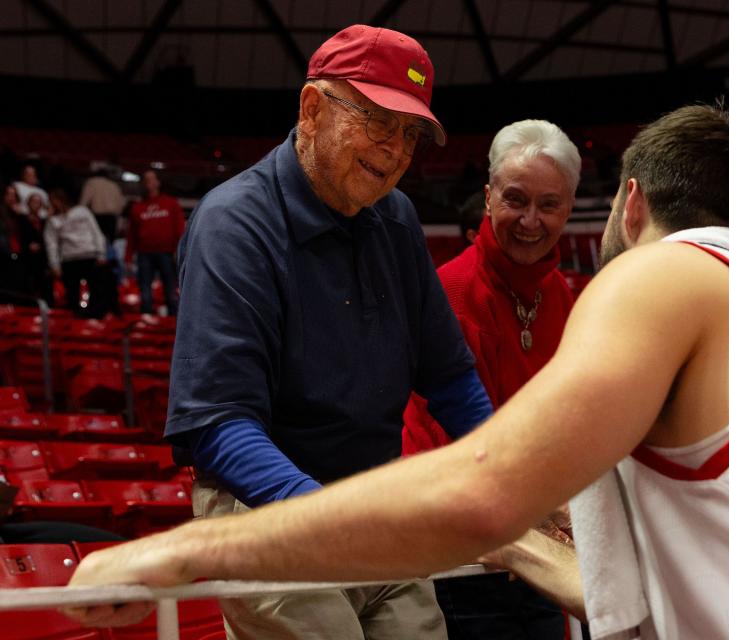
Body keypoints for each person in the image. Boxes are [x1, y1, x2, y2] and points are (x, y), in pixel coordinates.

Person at [66, 106, 729, 639]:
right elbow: (660, 586)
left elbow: (481, 485)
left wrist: (179, 549)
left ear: (627, 203)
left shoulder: (658, 273)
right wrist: (520, 536)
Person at [135, 24, 490, 640]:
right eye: (379, 120)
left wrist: (510, 469)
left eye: (411, 134)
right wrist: (331, 516)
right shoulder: (233, 223)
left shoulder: (396, 217)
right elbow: (218, 426)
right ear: (312, 108)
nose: (396, 151)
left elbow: (452, 379)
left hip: (371, 499)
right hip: (262, 509)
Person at [404, 120, 579, 639]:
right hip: (465, 552)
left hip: (538, 546)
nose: (530, 220)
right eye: (515, 199)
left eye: (549, 205)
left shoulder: (561, 296)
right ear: (487, 198)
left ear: (569, 208)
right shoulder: (450, 292)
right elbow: (447, 443)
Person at [124, 170, 184, 315]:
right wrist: (128, 257)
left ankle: (173, 321)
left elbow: (180, 229)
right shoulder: (137, 208)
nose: (148, 183)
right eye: (146, 180)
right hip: (144, 254)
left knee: (171, 289)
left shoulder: (171, 203)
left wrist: (180, 250)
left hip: (167, 253)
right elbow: (131, 235)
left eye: (151, 179)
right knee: (144, 290)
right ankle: (146, 320)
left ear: (158, 182)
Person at [43, 189, 107, 313]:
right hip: (69, 258)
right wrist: (54, 264)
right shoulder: (53, 221)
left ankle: (96, 318)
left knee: (96, 290)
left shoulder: (82, 211)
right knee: (72, 293)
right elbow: (51, 244)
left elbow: (96, 232)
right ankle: (77, 319)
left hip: (89, 255)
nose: (54, 204)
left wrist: (101, 254)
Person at [79, 168, 126, 243]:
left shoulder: (92, 182)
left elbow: (84, 201)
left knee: (96, 242)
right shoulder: (114, 185)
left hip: (97, 217)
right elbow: (121, 204)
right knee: (110, 243)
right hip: (111, 218)